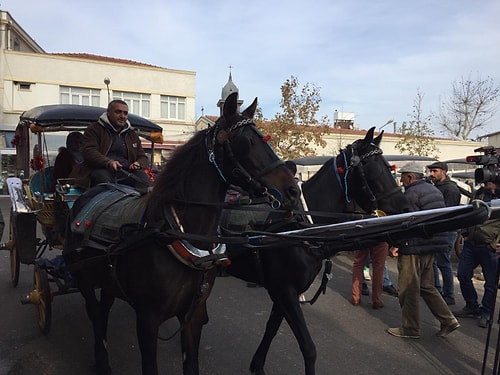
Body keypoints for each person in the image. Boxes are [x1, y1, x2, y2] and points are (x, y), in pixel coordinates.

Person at [387, 162, 460, 338]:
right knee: (427, 286)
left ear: (410, 177)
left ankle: (410, 328)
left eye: (403, 176)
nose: (401, 180)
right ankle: (448, 320)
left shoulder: (411, 194)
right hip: (432, 244)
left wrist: (397, 244)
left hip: (413, 246)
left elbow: (408, 225)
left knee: (408, 288)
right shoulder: (433, 190)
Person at [71, 100, 150, 190]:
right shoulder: (94, 129)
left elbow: (142, 156)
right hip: (101, 170)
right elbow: (88, 151)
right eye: (118, 112)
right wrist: (108, 162)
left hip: (126, 172)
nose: (122, 116)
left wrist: (138, 163)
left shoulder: (132, 134)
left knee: (143, 178)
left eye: (125, 113)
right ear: (108, 113)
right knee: (101, 177)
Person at [455, 181, 500, 328]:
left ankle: (486, 313)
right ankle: (471, 305)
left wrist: (494, 244)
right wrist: (465, 233)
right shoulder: (479, 192)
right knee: (462, 274)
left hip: (490, 247)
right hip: (471, 244)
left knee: (490, 284)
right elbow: (469, 212)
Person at [427, 161, 461, 305]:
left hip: (447, 231)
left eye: (435, 171)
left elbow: (448, 212)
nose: (432, 174)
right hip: (437, 229)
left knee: (444, 262)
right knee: (433, 261)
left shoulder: (451, 189)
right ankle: (436, 290)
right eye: (431, 171)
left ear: (443, 172)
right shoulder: (436, 187)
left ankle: (449, 294)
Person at [352, 242, 389, 309]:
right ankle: (377, 300)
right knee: (379, 267)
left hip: (363, 235)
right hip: (381, 235)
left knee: (358, 264)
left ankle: (356, 297)